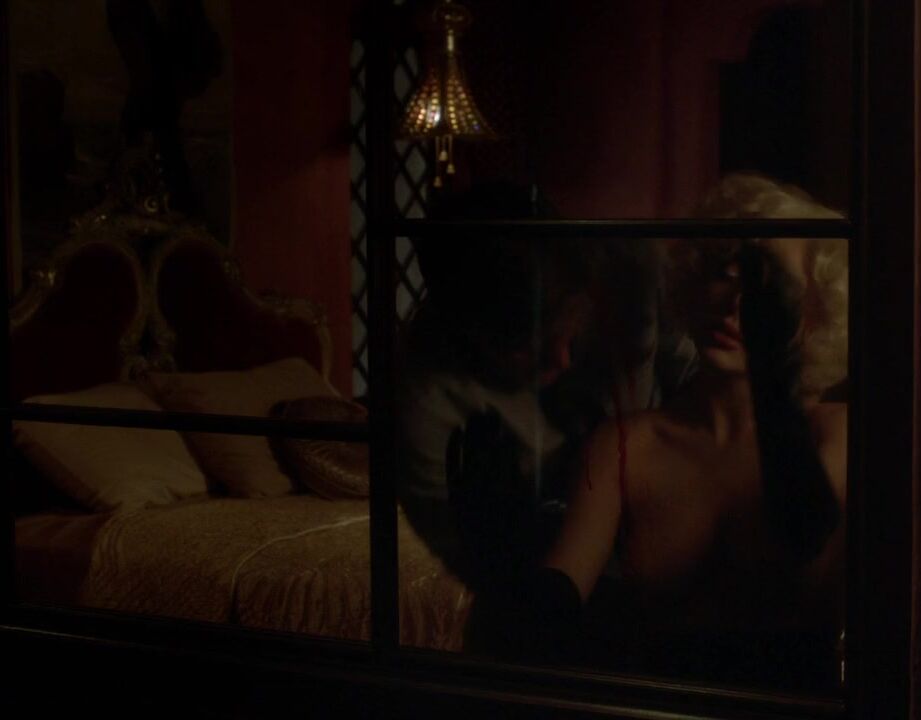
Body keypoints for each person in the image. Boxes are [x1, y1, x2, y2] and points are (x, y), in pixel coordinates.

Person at [476, 174, 849, 689]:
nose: (735, 305)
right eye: (724, 273)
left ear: (816, 313)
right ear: (693, 282)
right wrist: (499, 550)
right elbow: (559, 594)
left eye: (770, 285)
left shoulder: (844, 439)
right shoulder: (625, 446)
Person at [397, 182, 697, 594]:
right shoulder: (430, 401)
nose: (563, 359)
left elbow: (699, 378)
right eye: (529, 350)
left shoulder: (625, 276)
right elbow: (478, 568)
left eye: (566, 333)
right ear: (473, 338)